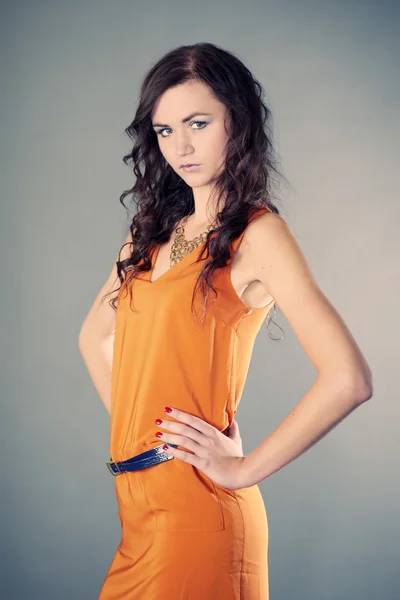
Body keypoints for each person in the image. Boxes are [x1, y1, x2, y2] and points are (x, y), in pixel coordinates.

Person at [79, 42, 373, 600]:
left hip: (200, 516)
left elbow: (348, 379)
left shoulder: (258, 235)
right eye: (165, 131)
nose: (181, 146)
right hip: (138, 510)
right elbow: (93, 338)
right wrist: (145, 439)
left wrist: (244, 469)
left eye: (197, 122)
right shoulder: (150, 234)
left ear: (236, 120)